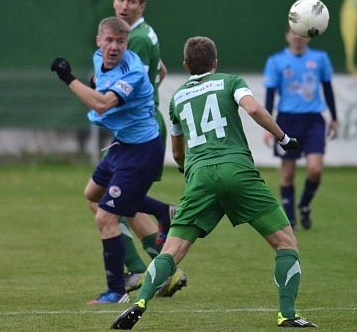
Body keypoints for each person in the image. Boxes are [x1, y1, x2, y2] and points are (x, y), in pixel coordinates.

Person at [112, 36, 317, 329]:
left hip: (200, 177)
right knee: (285, 242)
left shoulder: (178, 98)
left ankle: (141, 301)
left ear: (186, 65)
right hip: (237, 171)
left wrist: (189, 170)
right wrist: (284, 139)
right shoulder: (230, 82)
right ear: (215, 62)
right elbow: (255, 109)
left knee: (172, 251)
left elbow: (177, 150)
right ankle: (287, 314)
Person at [50, 17, 179, 304]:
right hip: (122, 145)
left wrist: (68, 78)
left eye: (120, 42)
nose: (113, 47)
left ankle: (116, 291)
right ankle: (163, 211)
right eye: (109, 41)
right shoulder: (99, 59)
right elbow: (157, 70)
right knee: (92, 195)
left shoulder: (131, 72)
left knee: (105, 217)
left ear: (127, 44)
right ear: (99, 41)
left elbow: (102, 102)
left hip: (142, 151)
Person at [112, 0, 180, 293]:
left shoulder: (135, 40)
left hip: (139, 128)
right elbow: (160, 71)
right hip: (143, 123)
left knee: (107, 200)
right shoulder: (141, 34)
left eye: (131, 2)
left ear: (142, 5)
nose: (124, 6)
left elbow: (121, 89)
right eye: (120, 0)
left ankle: (139, 270)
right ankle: (160, 270)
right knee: (125, 202)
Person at [263, 27, 338, 230]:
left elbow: (328, 88)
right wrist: (268, 125)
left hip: (314, 120)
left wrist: (335, 117)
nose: (297, 38)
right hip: (287, 120)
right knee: (288, 172)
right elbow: (270, 95)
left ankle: (304, 204)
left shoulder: (320, 58)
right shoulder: (276, 61)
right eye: (294, 33)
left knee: (315, 169)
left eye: (302, 34)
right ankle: (290, 218)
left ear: (308, 37)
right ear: (287, 35)